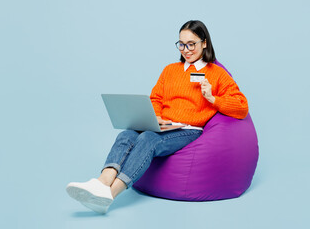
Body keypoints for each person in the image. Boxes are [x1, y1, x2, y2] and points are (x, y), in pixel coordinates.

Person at [66, 20, 248, 214]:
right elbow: (156, 98)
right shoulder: (170, 70)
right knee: (126, 135)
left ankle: (110, 195)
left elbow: (241, 107)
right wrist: (157, 117)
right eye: (181, 44)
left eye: (191, 44)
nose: (186, 50)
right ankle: (101, 183)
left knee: (147, 139)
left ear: (204, 43)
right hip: (164, 124)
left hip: (188, 129)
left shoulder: (217, 74)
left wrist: (213, 98)